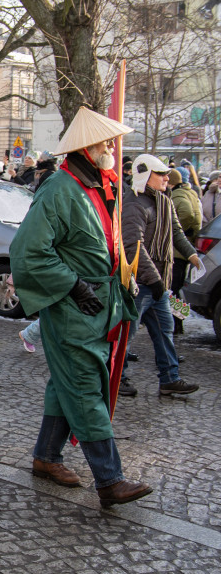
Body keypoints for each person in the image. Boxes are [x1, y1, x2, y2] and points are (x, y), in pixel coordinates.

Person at [10, 106, 152, 507]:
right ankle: (109, 480)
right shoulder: (59, 189)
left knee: (66, 384)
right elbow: (28, 252)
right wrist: (74, 286)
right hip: (74, 310)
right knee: (86, 388)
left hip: (100, 307)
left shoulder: (97, 187)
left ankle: (45, 457)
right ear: (85, 148)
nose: (112, 145)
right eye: (105, 140)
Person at [117, 156, 202, 397]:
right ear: (145, 175)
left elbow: (176, 232)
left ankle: (169, 379)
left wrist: (192, 255)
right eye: (161, 173)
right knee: (126, 335)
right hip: (140, 284)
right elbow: (134, 245)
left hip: (157, 284)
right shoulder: (135, 204)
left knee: (164, 332)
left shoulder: (165, 201)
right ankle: (116, 377)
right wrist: (153, 279)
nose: (167, 177)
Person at [169, 166, 202, 335]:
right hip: (185, 249)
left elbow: (188, 215)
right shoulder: (191, 193)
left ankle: (177, 322)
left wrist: (178, 229)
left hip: (178, 251)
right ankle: (179, 321)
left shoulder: (178, 196)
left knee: (173, 289)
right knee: (177, 288)